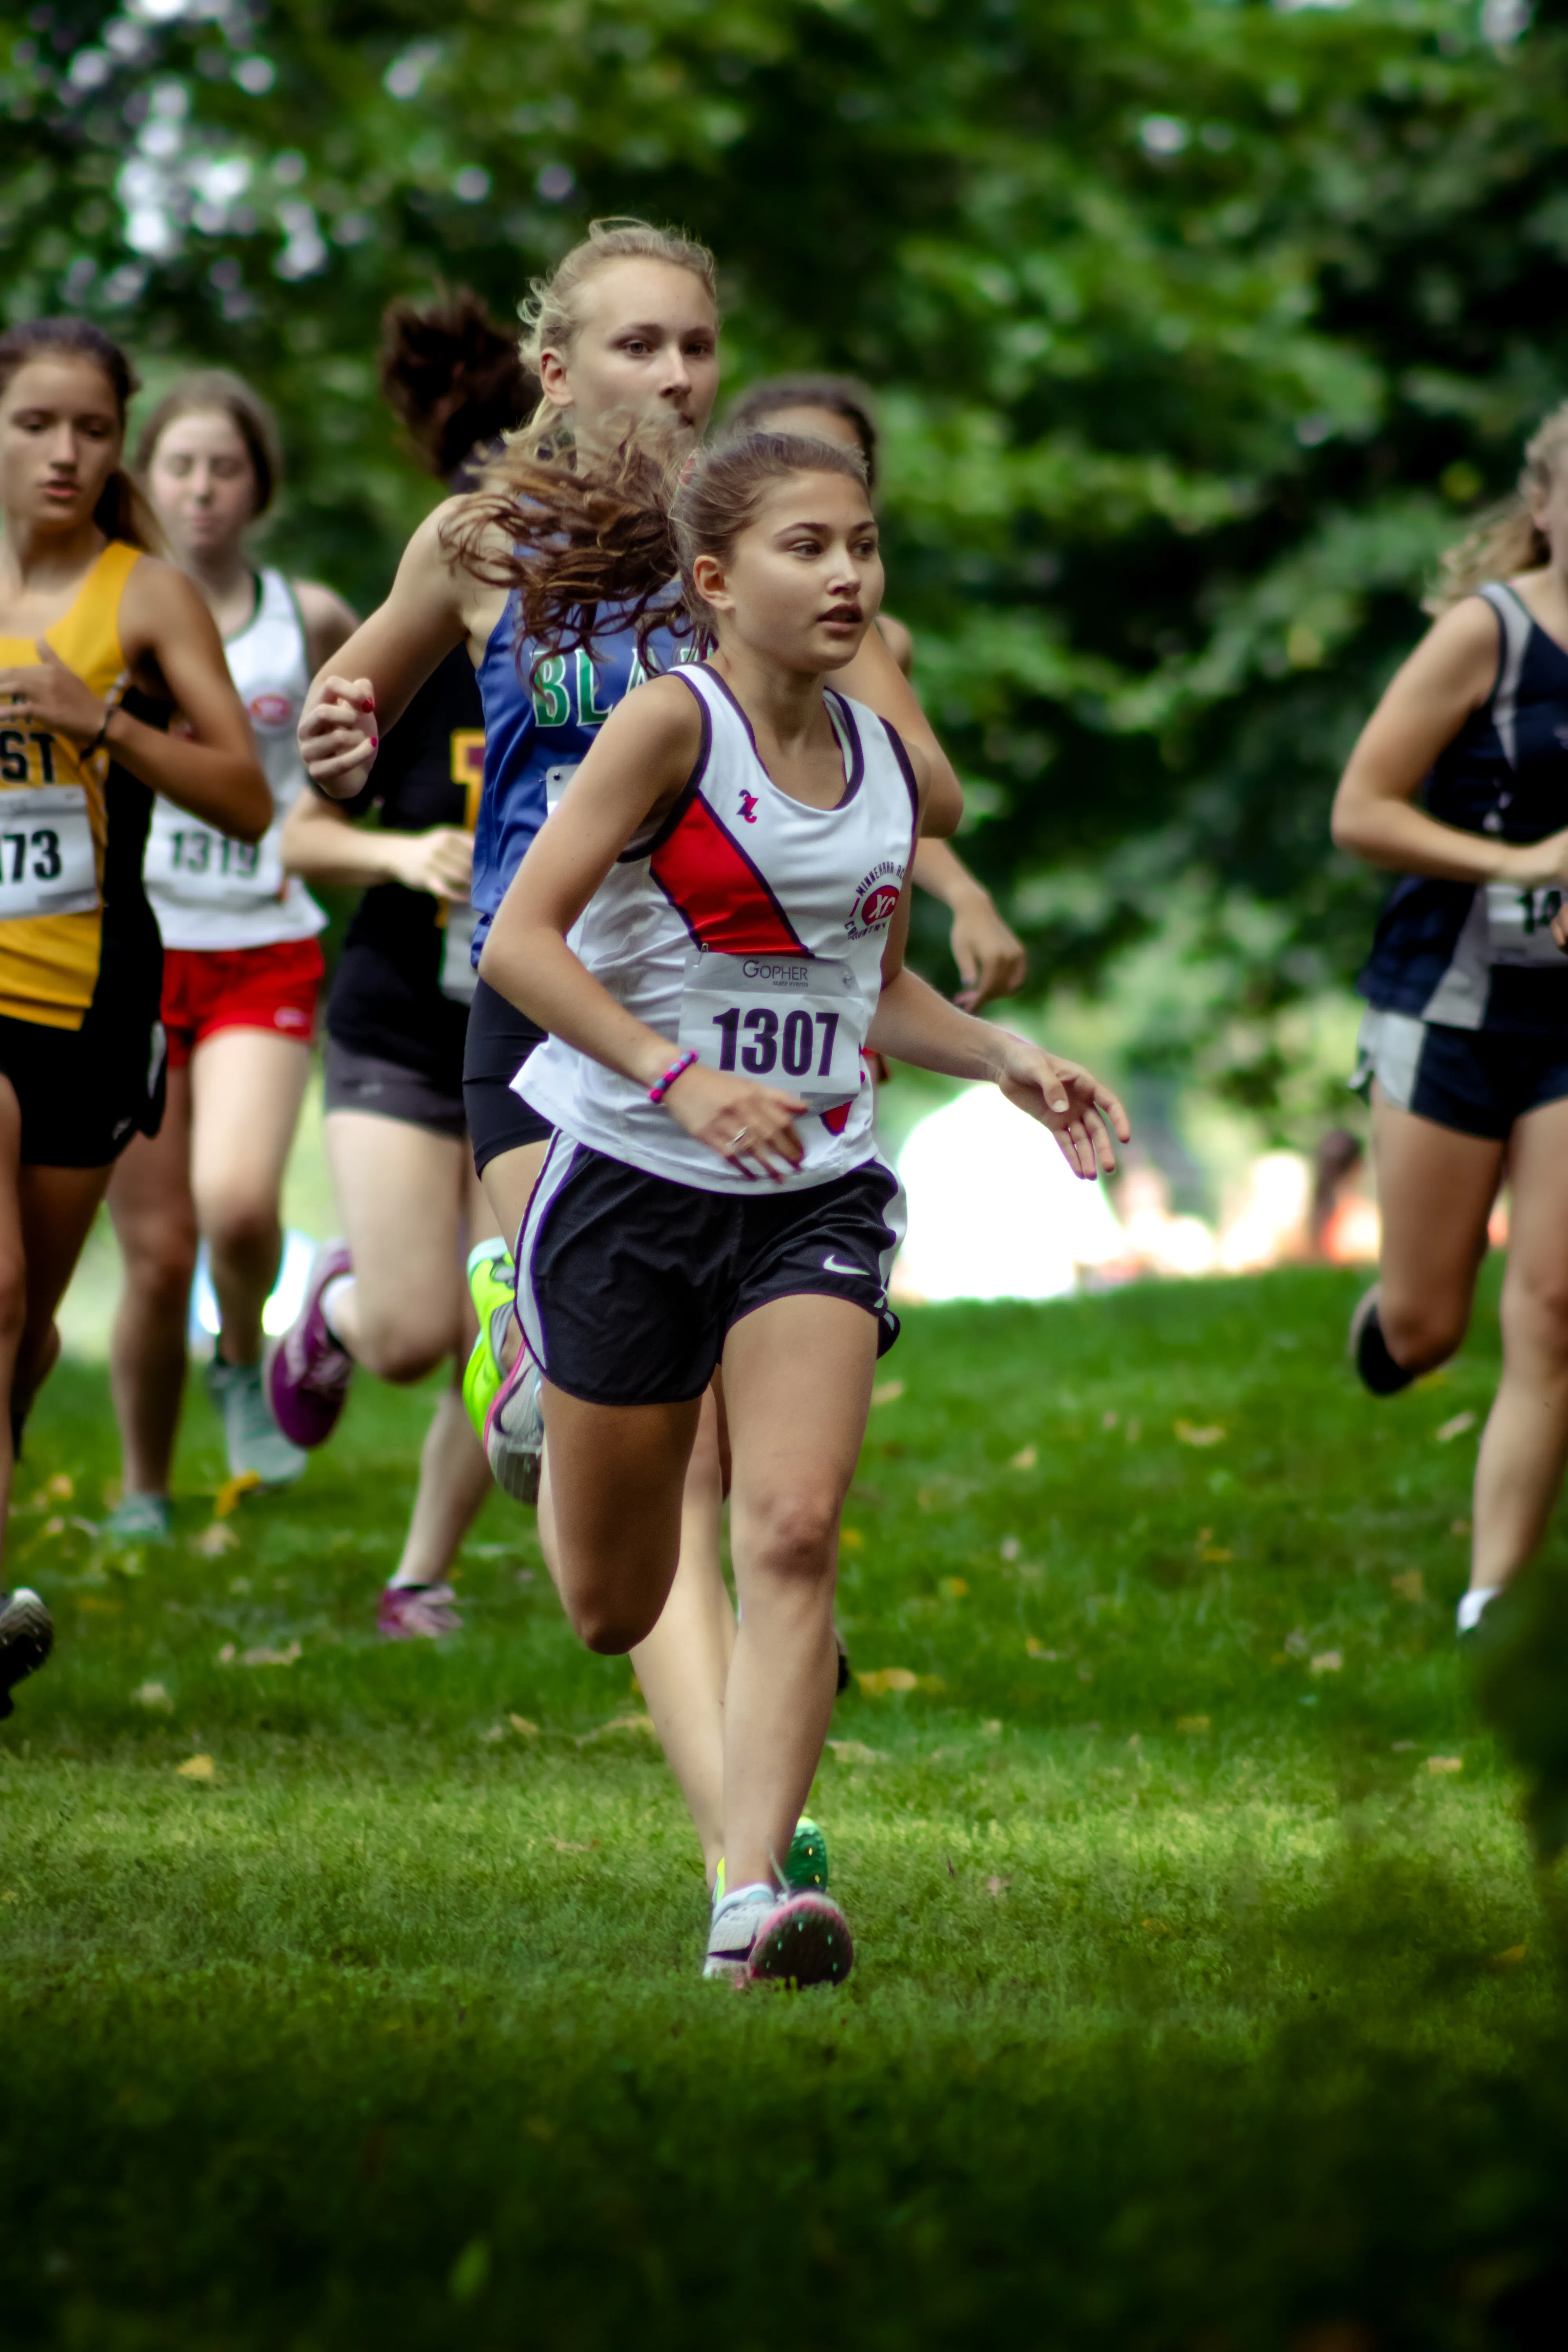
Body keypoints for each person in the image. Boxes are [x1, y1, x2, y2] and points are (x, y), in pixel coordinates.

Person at [289, 220, 966, 1890]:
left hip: (736, 1004)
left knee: (741, 1476)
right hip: (541, 1000)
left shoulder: (753, 540)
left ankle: (749, 1846)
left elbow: (916, 774)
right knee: (680, 1466)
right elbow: (353, 699)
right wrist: (336, 725)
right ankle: (752, 1838)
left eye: (696, 346)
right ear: (555, 369)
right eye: (637, 347)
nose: (674, 376)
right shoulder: (483, 537)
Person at [469, 426, 1127, 1983]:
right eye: (807, 548)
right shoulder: (663, 729)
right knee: (608, 1596)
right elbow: (517, 946)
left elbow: (868, 989)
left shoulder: (886, 761)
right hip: (627, 1179)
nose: (847, 575)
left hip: (813, 1189)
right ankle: (528, 1360)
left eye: (863, 547)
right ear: (715, 581)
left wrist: (1009, 1061)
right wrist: (675, 1076)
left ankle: (747, 1905)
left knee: (792, 1530)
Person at [0, 318, 270, 1715]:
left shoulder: (146, 597)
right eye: (35, 424)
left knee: (27, 1328)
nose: (64, 452)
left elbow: (247, 798)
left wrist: (96, 722)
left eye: (90, 430)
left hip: (90, 997)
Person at [276, 290, 532, 1635]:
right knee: (417, 1330)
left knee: (507, 1324)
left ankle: (419, 1575)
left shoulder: (607, 660)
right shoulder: (429, 643)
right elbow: (302, 832)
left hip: (534, 1017)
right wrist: (407, 859)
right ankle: (332, 1298)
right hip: (395, 1016)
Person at [102, 372, 356, 1535]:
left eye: (226, 468)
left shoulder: (304, 617)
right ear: (146, 480)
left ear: (260, 487)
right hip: (133, 955)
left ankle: (242, 1362)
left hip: (264, 946)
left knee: (240, 1205)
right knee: (156, 1258)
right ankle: (145, 1493)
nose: (202, 489)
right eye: (181, 467)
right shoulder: (100, 609)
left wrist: (355, 821)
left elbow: (373, 740)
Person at [1332, 399, 1568, 1640]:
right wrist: (1523, 863)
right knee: (1432, 1323)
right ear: (1545, 506)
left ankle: (1494, 1603)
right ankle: (1391, 1323)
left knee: (1556, 1307)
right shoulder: (1495, 632)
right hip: (1452, 1001)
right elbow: (1360, 809)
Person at [725, 372, 1028, 1011]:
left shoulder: (869, 638)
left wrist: (960, 898)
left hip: (796, 971)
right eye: (783, 456)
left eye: (838, 464)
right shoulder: (668, 648)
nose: (810, 478)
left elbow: (894, 804)